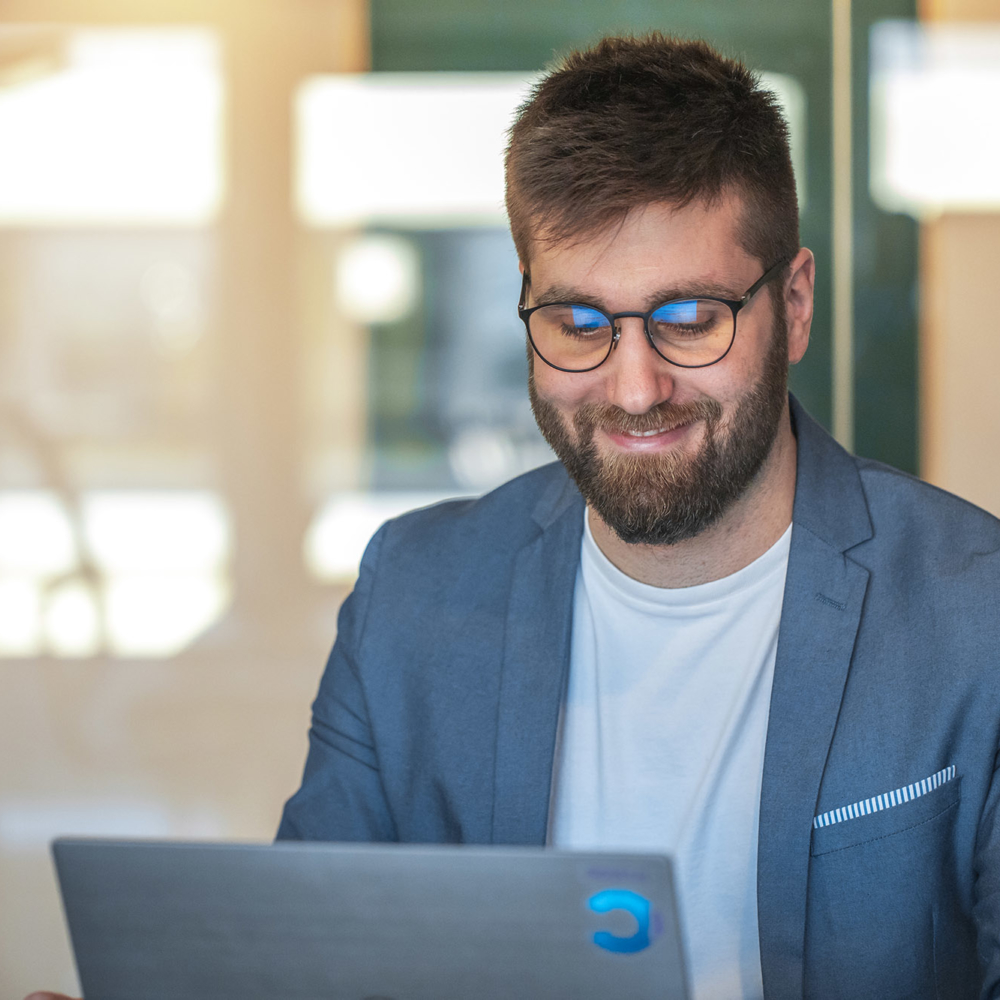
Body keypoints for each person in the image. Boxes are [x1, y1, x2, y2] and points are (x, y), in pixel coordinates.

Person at [28, 32, 1000, 1000]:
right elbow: (305, 974)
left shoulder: (972, 615)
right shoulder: (412, 596)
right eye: (578, 323)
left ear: (791, 304)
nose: (633, 387)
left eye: (690, 317)